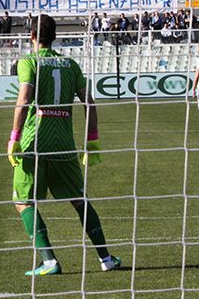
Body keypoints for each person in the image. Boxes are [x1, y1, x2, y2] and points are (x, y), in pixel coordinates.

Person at [7, 14, 120, 276]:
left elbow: (24, 101)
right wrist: (92, 140)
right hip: (64, 144)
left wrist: (14, 137)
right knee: (80, 201)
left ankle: (49, 261)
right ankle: (106, 258)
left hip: (34, 141)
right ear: (55, 36)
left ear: (31, 36)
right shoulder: (71, 64)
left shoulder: (29, 62)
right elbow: (89, 102)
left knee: (23, 201)